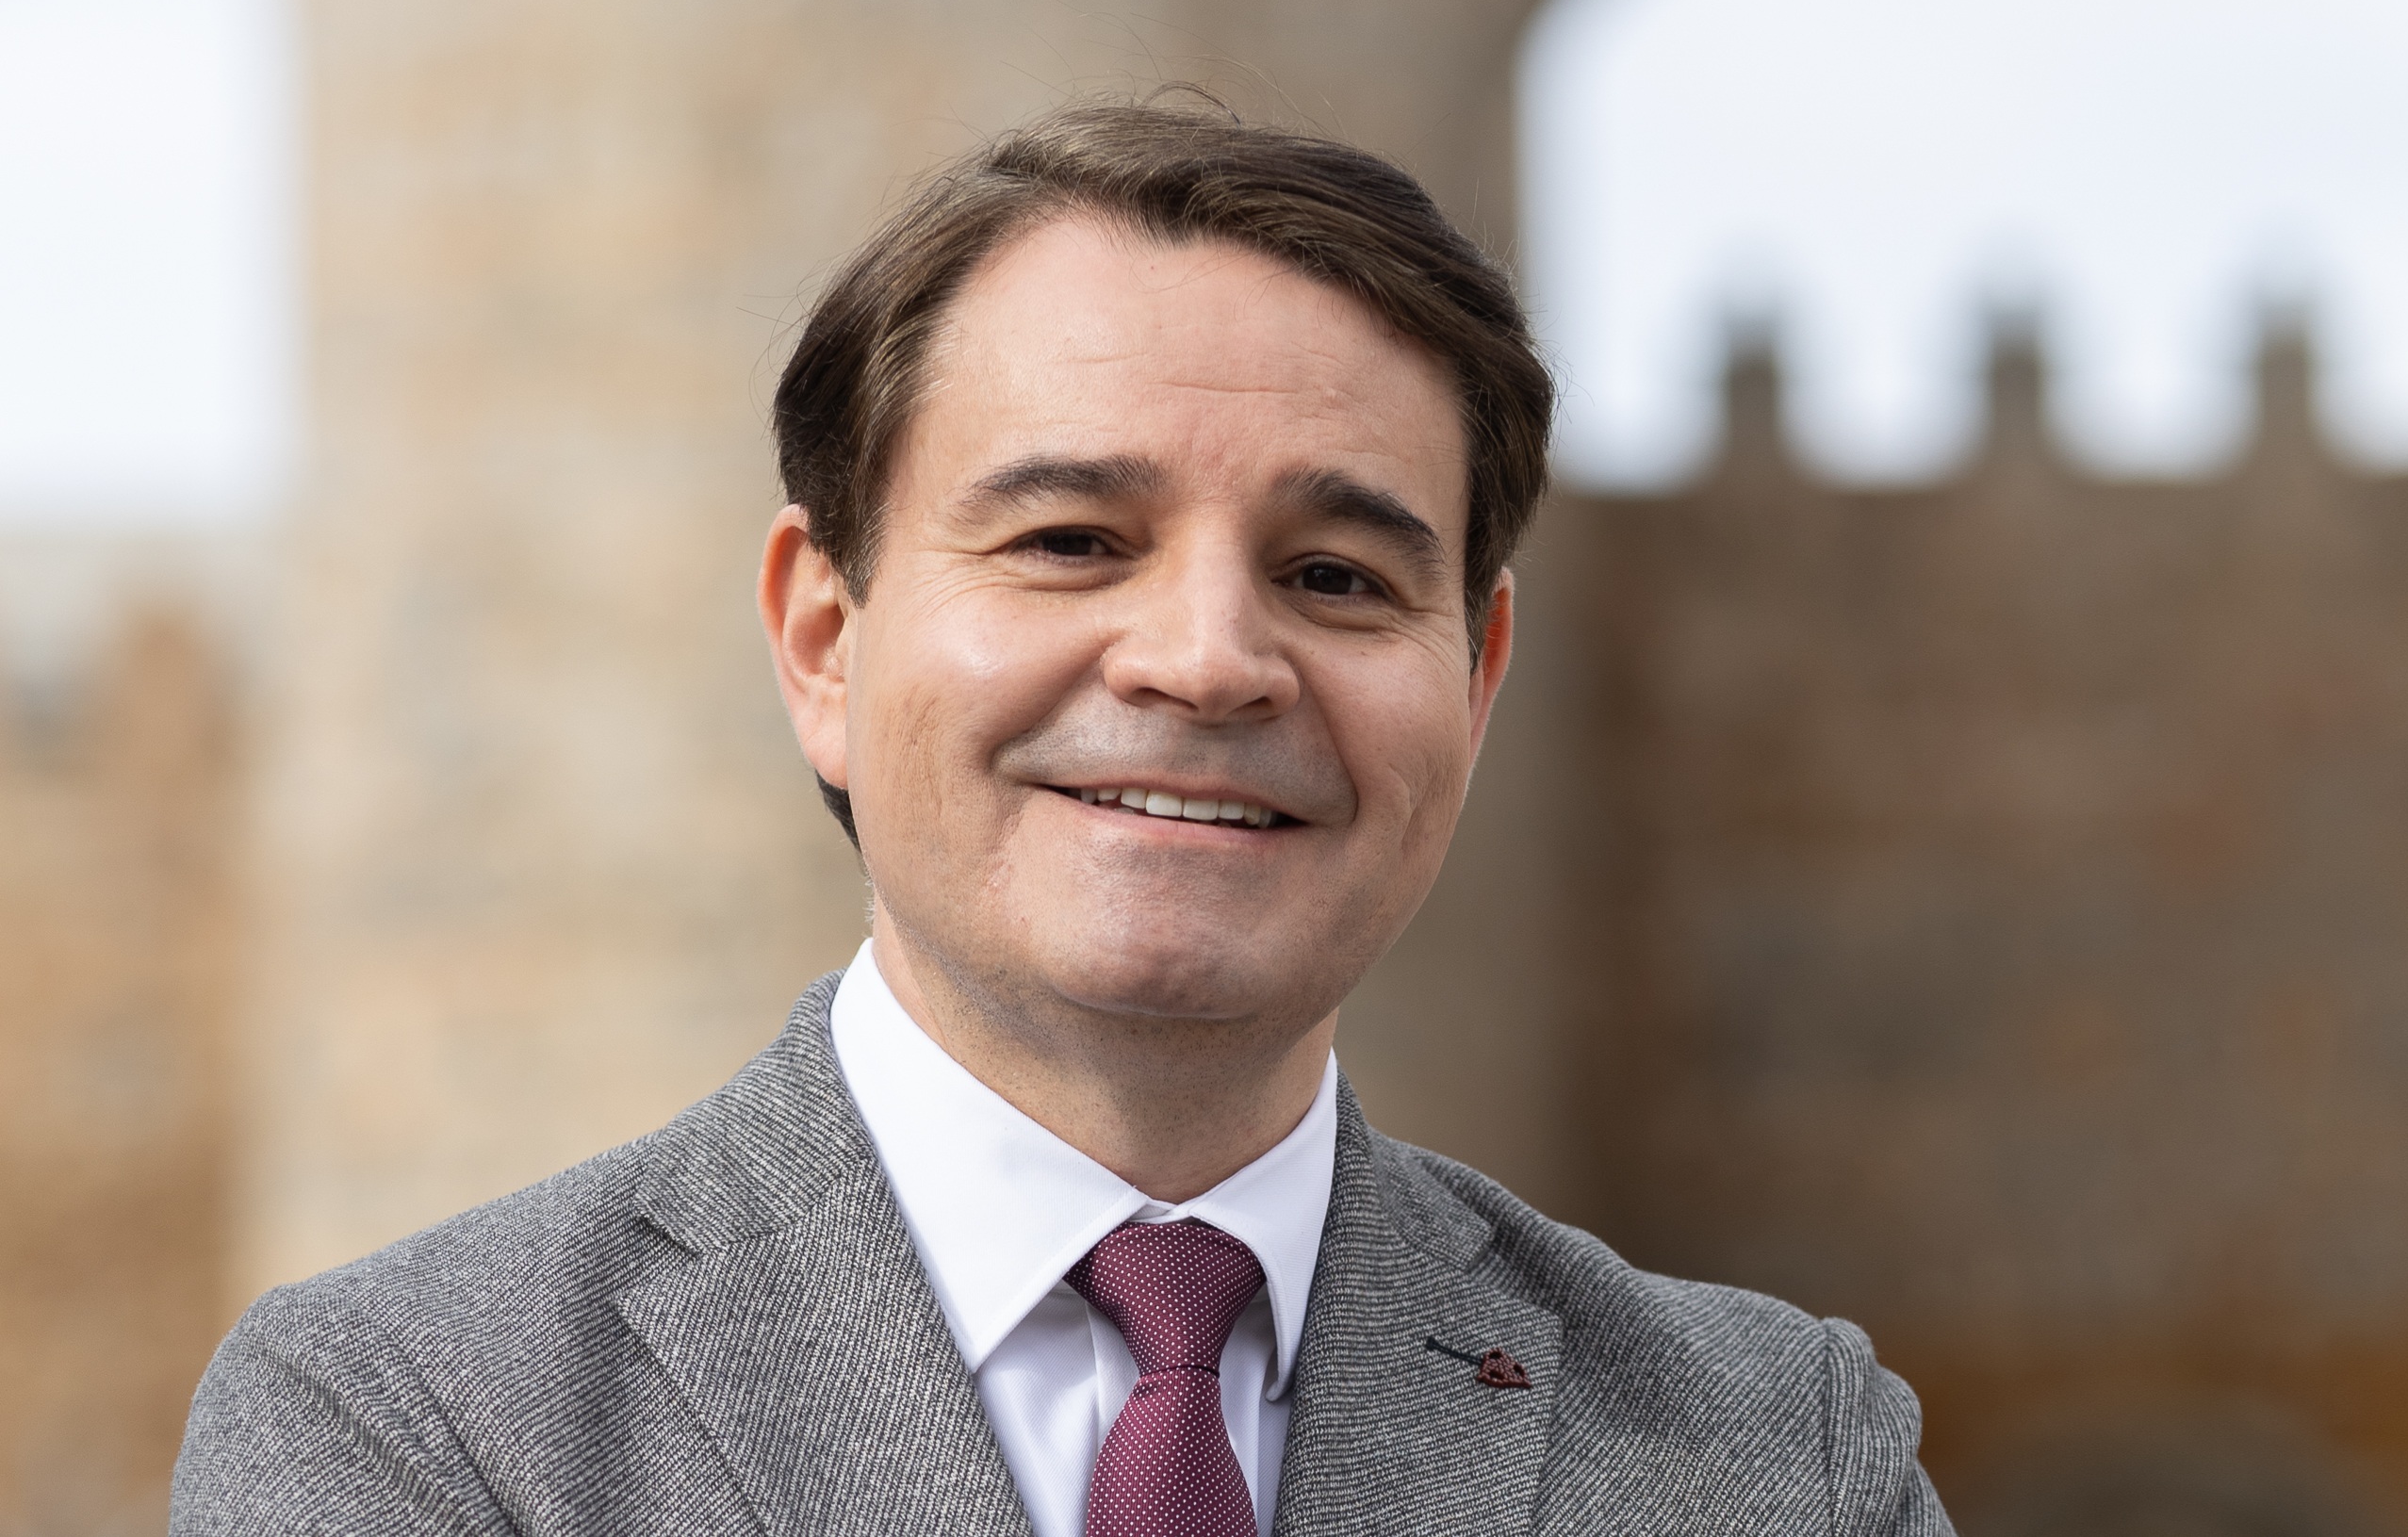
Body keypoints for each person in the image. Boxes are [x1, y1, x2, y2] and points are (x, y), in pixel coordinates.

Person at [172, 99, 1951, 1536]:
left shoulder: (1773, 1461)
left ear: (1475, 682)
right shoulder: (416, 1424)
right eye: (1071, 542)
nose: (1209, 660)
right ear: (824, 637)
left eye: (1336, 576)